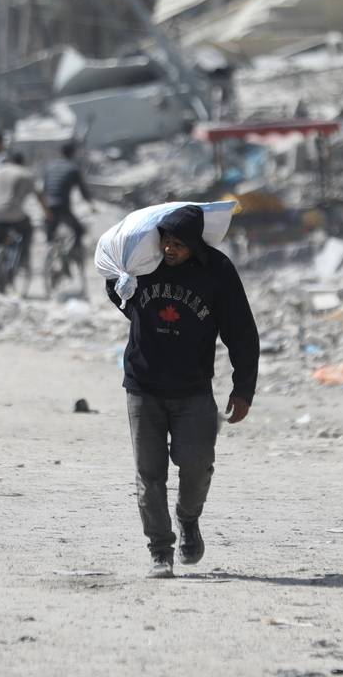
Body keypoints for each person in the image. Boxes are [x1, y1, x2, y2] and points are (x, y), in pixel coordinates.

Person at [105, 205, 260, 578]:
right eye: (166, 243)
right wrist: (119, 287)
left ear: (194, 244)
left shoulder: (217, 271)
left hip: (193, 388)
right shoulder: (144, 261)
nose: (170, 250)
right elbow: (116, 283)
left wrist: (243, 389)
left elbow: (241, 331)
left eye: (179, 244)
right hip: (143, 385)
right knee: (149, 473)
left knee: (196, 464)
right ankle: (160, 550)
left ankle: (189, 519)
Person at [0, 152, 48, 280]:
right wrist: (48, 213)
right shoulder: (24, 173)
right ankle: (22, 259)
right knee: (27, 230)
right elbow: (38, 195)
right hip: (14, 214)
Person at [42, 143, 95, 260]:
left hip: (47, 206)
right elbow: (83, 191)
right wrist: (91, 204)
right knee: (79, 230)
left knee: (50, 233)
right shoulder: (73, 169)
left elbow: (45, 189)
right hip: (62, 206)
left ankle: (50, 261)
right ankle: (72, 253)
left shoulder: (50, 167)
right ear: (73, 154)